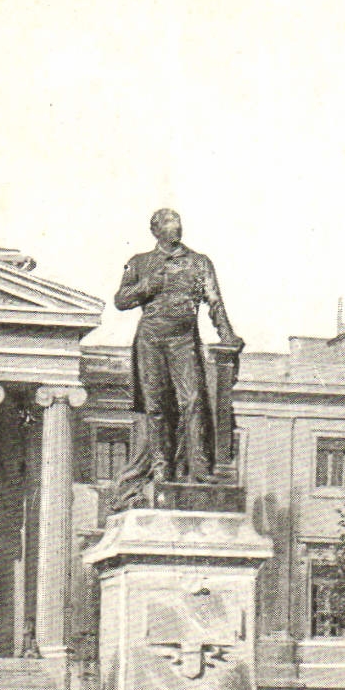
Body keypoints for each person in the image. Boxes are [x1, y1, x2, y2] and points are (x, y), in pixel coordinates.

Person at [112, 208, 243, 506]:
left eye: (178, 223)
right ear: (155, 230)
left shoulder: (199, 262)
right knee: (156, 405)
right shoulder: (140, 262)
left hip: (183, 339)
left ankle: (199, 467)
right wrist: (148, 285)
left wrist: (227, 335)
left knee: (193, 400)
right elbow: (121, 300)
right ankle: (161, 466)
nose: (176, 228)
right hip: (150, 339)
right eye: (169, 224)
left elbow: (215, 302)